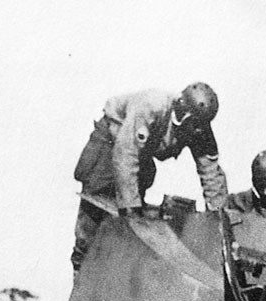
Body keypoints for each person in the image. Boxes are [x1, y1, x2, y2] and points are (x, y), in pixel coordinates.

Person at [71, 82, 229, 270]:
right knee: (95, 220)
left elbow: (211, 173)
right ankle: (80, 270)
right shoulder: (152, 105)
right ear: (180, 111)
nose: (195, 130)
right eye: (191, 123)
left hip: (139, 155)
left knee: (129, 235)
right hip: (111, 143)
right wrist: (130, 210)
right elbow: (126, 153)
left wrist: (218, 222)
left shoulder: (199, 125)